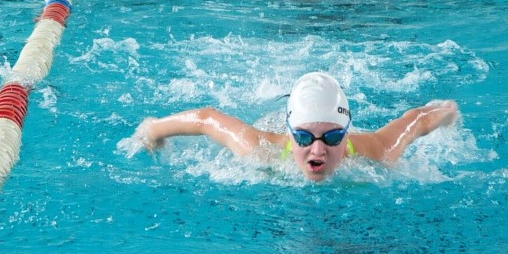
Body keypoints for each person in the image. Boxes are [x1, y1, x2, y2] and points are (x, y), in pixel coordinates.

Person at [131, 72, 459, 182]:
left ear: (347, 133)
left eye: (332, 137)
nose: (317, 149)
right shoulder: (264, 150)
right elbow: (207, 119)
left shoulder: (376, 151)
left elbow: (418, 119)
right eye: (304, 137)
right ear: (291, 135)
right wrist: (153, 131)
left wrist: (449, 114)